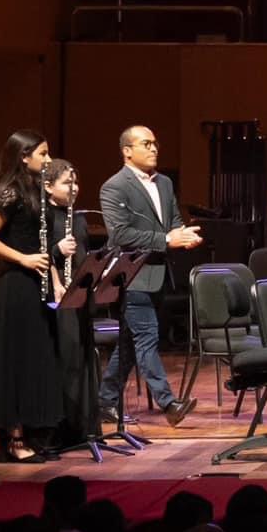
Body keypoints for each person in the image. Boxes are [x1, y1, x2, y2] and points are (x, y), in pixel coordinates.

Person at [0, 130, 65, 463]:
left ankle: (35, 434)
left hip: (37, 285)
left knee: (35, 361)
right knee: (16, 362)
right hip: (16, 288)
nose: (49, 159)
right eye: (43, 153)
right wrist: (23, 259)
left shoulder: (38, 192)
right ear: (24, 157)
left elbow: (43, 246)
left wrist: (55, 280)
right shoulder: (10, 192)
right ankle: (13, 439)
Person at [98, 124, 201, 426]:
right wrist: (167, 239)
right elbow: (121, 235)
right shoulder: (114, 186)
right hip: (132, 275)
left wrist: (183, 234)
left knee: (130, 344)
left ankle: (105, 401)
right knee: (146, 338)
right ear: (127, 151)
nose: (154, 148)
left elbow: (173, 221)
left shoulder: (165, 183)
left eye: (155, 143)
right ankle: (168, 403)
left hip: (159, 275)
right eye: (146, 143)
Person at [42, 159, 96, 451]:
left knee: (82, 358)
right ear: (48, 187)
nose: (74, 188)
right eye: (66, 183)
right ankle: (58, 430)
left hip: (80, 295)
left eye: (75, 182)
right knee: (66, 359)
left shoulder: (78, 218)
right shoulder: (44, 216)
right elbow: (39, 254)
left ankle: (82, 428)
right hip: (57, 296)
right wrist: (56, 250)